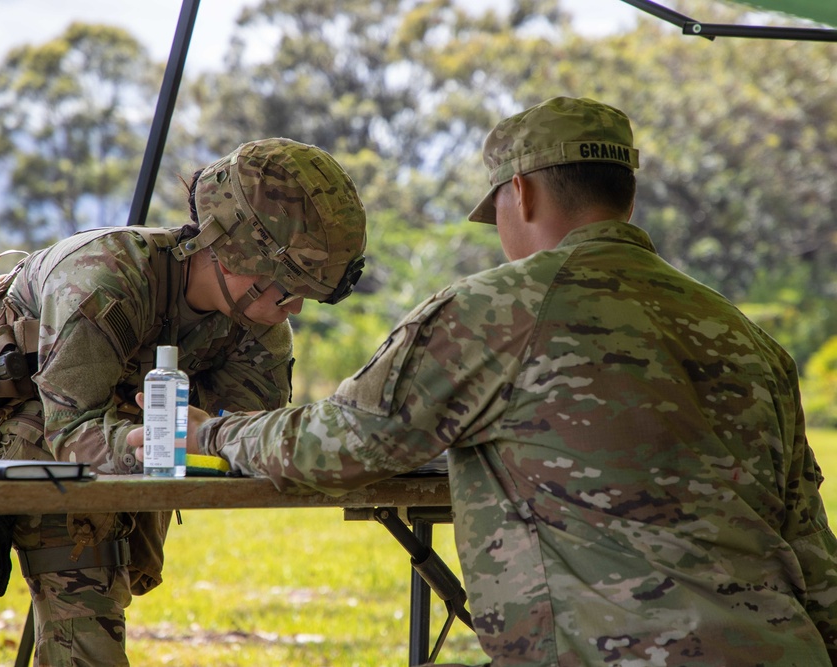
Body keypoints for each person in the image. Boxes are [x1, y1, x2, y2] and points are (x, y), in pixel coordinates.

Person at [175, 98, 837, 665]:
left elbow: (346, 440)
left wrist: (218, 431)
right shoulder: (747, 336)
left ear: (518, 191)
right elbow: (812, 550)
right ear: (625, 196)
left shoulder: (498, 309)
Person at [0, 137, 367, 666]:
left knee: (87, 640)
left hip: (73, 455)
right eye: (283, 288)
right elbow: (71, 431)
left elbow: (245, 437)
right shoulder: (104, 280)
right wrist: (144, 440)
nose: (294, 309)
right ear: (229, 249)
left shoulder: (258, 322)